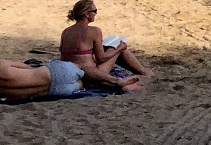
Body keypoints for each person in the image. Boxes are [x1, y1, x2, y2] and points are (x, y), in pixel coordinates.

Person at [60, 0, 150, 82]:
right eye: (94, 11)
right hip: (91, 73)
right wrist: (120, 48)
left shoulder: (66, 31)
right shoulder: (94, 31)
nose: (96, 14)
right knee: (119, 47)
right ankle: (144, 72)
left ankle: (142, 71)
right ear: (86, 14)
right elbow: (101, 59)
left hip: (70, 71)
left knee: (109, 48)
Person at [1, 58, 140, 101]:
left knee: (82, 82)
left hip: (56, 91)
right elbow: (28, 68)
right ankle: (116, 82)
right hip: (53, 74)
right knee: (81, 68)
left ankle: (117, 87)